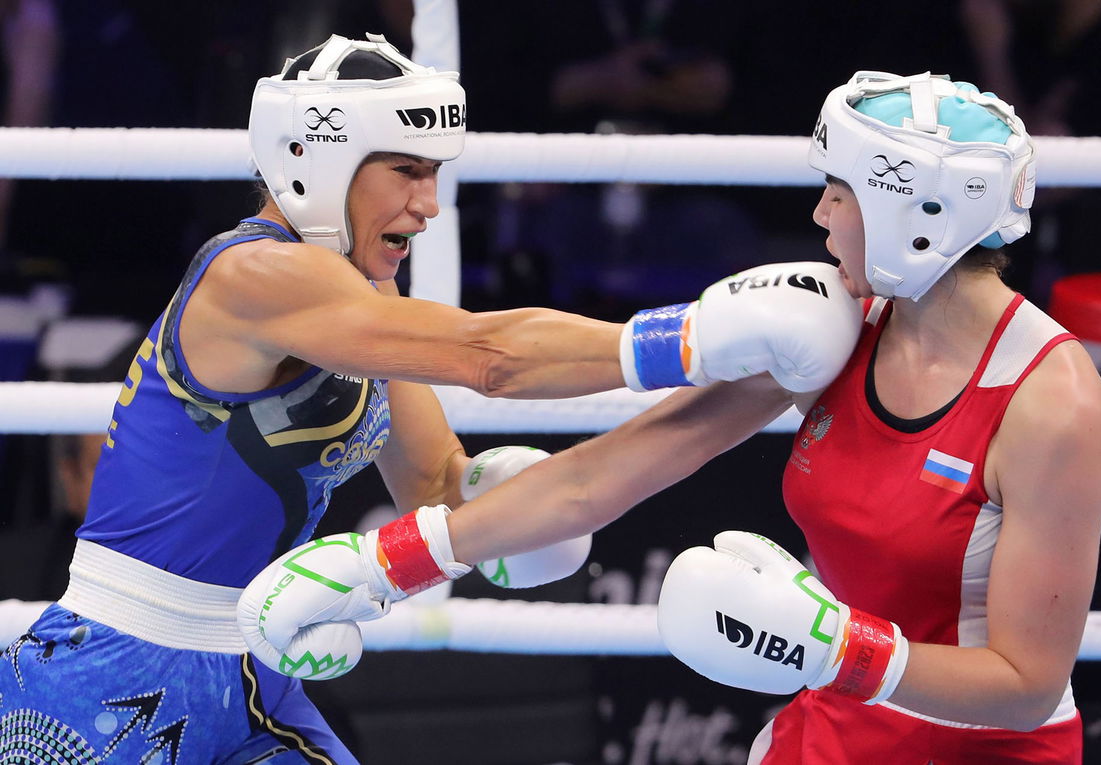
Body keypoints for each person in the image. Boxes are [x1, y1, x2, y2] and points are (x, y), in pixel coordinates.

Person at [0, 32, 860, 763]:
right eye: (408, 172)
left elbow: (444, 493)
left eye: (435, 173)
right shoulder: (252, 273)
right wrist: (697, 336)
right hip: (106, 672)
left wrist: (752, 386)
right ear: (319, 161)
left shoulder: (368, 315)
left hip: (256, 677)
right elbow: (491, 358)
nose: (430, 205)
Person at [243, 70, 1101, 764]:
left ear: (913, 214)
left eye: (839, 193)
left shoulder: (1051, 402)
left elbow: (1026, 683)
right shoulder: (841, 329)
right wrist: (390, 561)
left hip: (985, 750)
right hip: (839, 734)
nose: (818, 215)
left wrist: (838, 650)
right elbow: (607, 472)